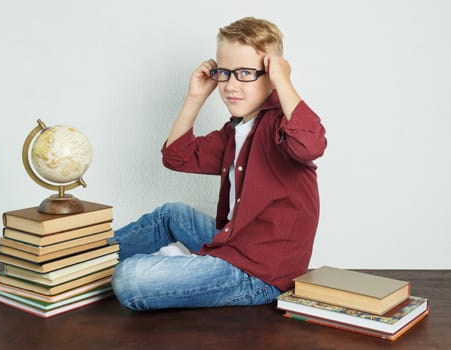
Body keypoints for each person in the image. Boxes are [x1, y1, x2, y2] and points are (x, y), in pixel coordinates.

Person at [111, 17, 327, 311]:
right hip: (235, 246)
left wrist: (284, 81)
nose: (230, 85)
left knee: (130, 278)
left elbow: (310, 145)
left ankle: (181, 266)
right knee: (171, 214)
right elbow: (177, 156)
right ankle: (80, 263)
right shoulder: (236, 130)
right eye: (224, 73)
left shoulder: (282, 127)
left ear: (271, 74)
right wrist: (195, 97)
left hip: (260, 274)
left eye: (246, 73)